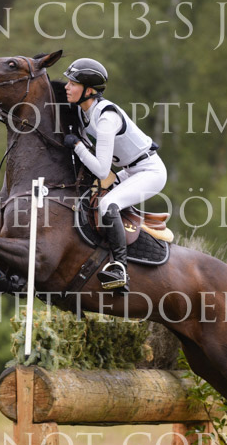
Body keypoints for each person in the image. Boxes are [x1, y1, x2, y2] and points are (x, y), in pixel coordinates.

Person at [62, 58, 167, 292]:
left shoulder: (106, 118)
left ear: (89, 91)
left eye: (73, 83)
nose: (67, 87)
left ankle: (120, 267)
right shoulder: (83, 110)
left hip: (150, 171)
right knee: (88, 196)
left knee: (108, 203)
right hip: (130, 170)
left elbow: (101, 169)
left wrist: (77, 145)